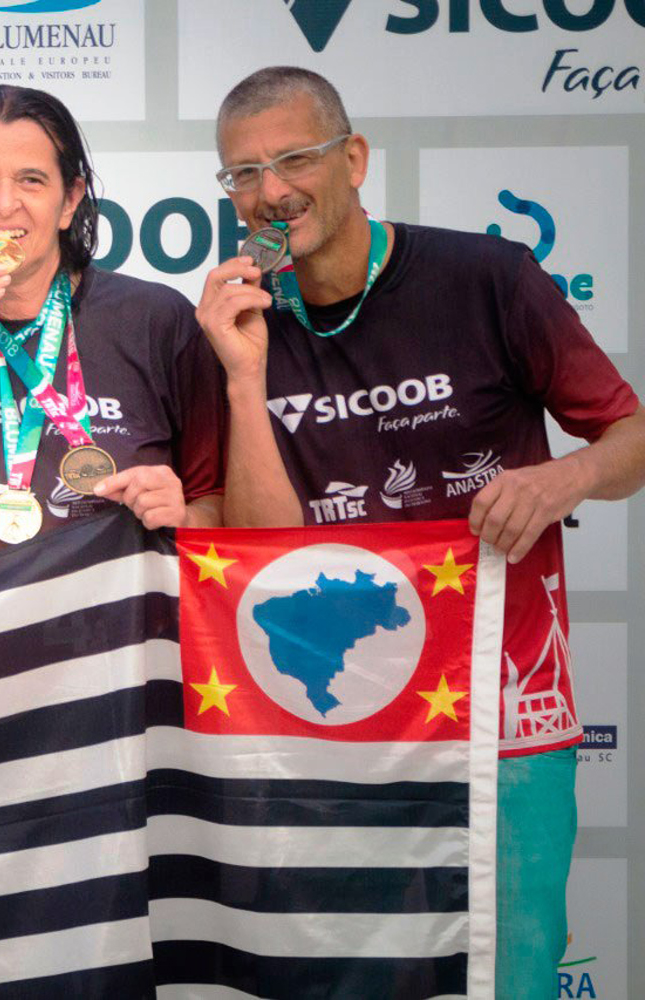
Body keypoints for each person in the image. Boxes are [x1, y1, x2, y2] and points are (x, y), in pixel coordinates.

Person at [198, 66, 645, 998]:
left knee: (509, 975)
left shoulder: (487, 279)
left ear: (355, 159)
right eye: (244, 173)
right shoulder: (237, 325)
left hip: (501, 714)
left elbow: (631, 437)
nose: (271, 190)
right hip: (335, 728)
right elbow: (263, 550)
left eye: (296, 159)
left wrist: (561, 478)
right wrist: (242, 377)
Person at [0, 84, 299, 567]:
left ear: (69, 200)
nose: (3, 204)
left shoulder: (156, 320)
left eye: (31, 180)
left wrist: (185, 517)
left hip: (117, 613)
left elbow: (230, 516)